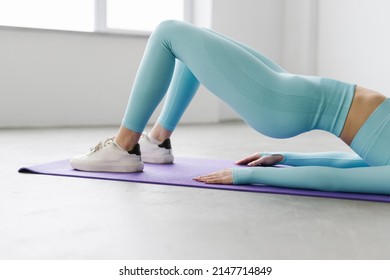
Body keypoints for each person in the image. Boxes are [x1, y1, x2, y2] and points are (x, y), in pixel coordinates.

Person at [70, 20, 390, 195]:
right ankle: (156, 142)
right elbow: (358, 163)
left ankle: (122, 148)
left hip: (281, 102)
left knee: (168, 33)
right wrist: (286, 157)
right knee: (197, 43)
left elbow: (335, 181)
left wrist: (246, 177)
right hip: (292, 90)